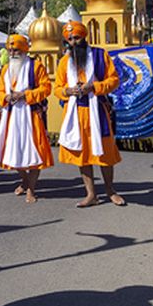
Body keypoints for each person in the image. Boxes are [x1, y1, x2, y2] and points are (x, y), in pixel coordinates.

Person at [54, 21, 125, 207]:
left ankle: (110, 191)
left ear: (84, 37)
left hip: (97, 112)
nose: (73, 42)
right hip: (76, 113)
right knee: (83, 154)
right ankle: (91, 194)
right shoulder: (64, 61)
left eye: (76, 38)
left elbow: (114, 80)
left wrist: (94, 87)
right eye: (70, 39)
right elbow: (57, 88)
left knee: (105, 153)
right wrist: (67, 91)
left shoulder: (100, 55)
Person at [0, 34, 54, 204]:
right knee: (12, 151)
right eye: (10, 50)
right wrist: (5, 97)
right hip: (11, 116)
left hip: (31, 115)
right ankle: (25, 180)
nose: (12, 53)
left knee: (34, 152)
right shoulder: (6, 69)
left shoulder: (35, 66)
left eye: (16, 50)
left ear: (24, 50)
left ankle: (31, 189)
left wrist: (25, 95)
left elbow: (46, 88)